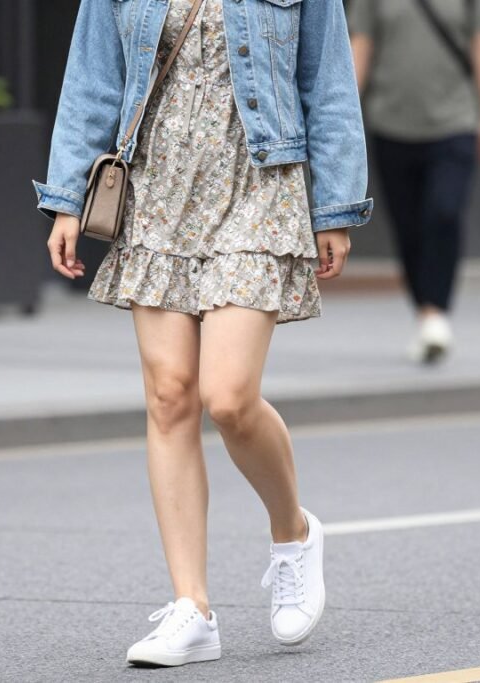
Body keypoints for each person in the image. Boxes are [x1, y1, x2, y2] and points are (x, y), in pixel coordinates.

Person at [31, 0, 371, 667]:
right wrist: (68, 197)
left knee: (229, 396)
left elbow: (327, 82)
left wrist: (335, 204)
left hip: (259, 183)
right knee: (169, 394)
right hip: (155, 187)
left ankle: (293, 533)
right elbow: (92, 79)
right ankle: (192, 607)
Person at [348, 0, 480, 364]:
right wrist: (344, 116)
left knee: (444, 211)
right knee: (409, 228)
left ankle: (435, 311)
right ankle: (426, 312)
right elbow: (361, 45)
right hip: (390, 124)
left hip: (455, 123)